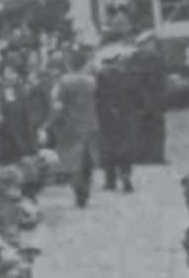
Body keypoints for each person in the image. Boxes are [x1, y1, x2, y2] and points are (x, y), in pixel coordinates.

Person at [46, 48, 98, 207]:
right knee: (88, 157)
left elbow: (57, 105)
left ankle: (80, 190)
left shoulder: (63, 82)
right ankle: (87, 184)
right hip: (90, 123)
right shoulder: (91, 81)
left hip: (69, 125)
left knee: (72, 160)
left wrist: (50, 122)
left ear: (69, 64)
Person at [95, 47, 136, 193]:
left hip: (106, 115)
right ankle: (125, 174)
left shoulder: (100, 76)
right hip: (124, 115)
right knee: (124, 145)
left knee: (107, 147)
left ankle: (110, 179)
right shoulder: (125, 75)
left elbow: (98, 96)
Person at [128, 30, 167, 164]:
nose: (151, 46)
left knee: (154, 128)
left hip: (152, 98)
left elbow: (160, 79)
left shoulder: (155, 58)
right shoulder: (137, 58)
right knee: (144, 128)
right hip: (144, 98)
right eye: (148, 43)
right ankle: (146, 155)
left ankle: (153, 155)